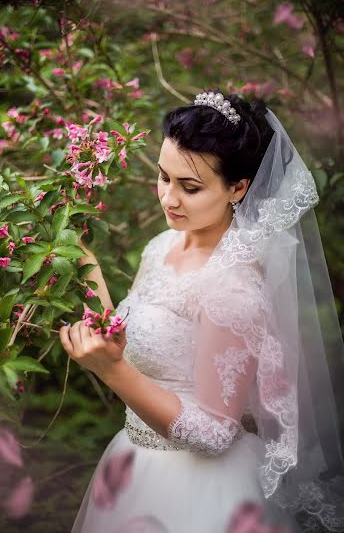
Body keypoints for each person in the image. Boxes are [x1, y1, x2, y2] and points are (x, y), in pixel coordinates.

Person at [59, 89, 344, 533]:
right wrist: (84, 263)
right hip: (135, 463)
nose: (168, 199)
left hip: (197, 489)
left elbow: (214, 433)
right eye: (163, 176)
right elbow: (126, 337)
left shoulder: (230, 289)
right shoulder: (164, 245)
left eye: (189, 187)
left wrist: (111, 372)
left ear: (238, 188)